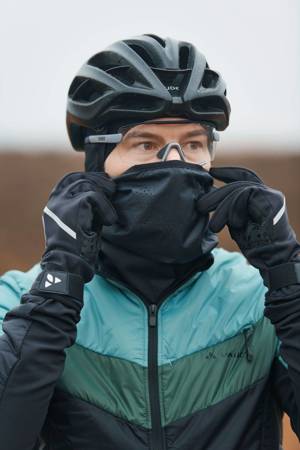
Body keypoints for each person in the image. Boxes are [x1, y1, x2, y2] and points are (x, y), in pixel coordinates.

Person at [0, 34, 299, 450]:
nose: (175, 163)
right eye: (146, 144)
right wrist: (59, 287)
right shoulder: (19, 300)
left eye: (193, 144)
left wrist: (288, 280)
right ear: (95, 169)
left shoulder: (257, 299)